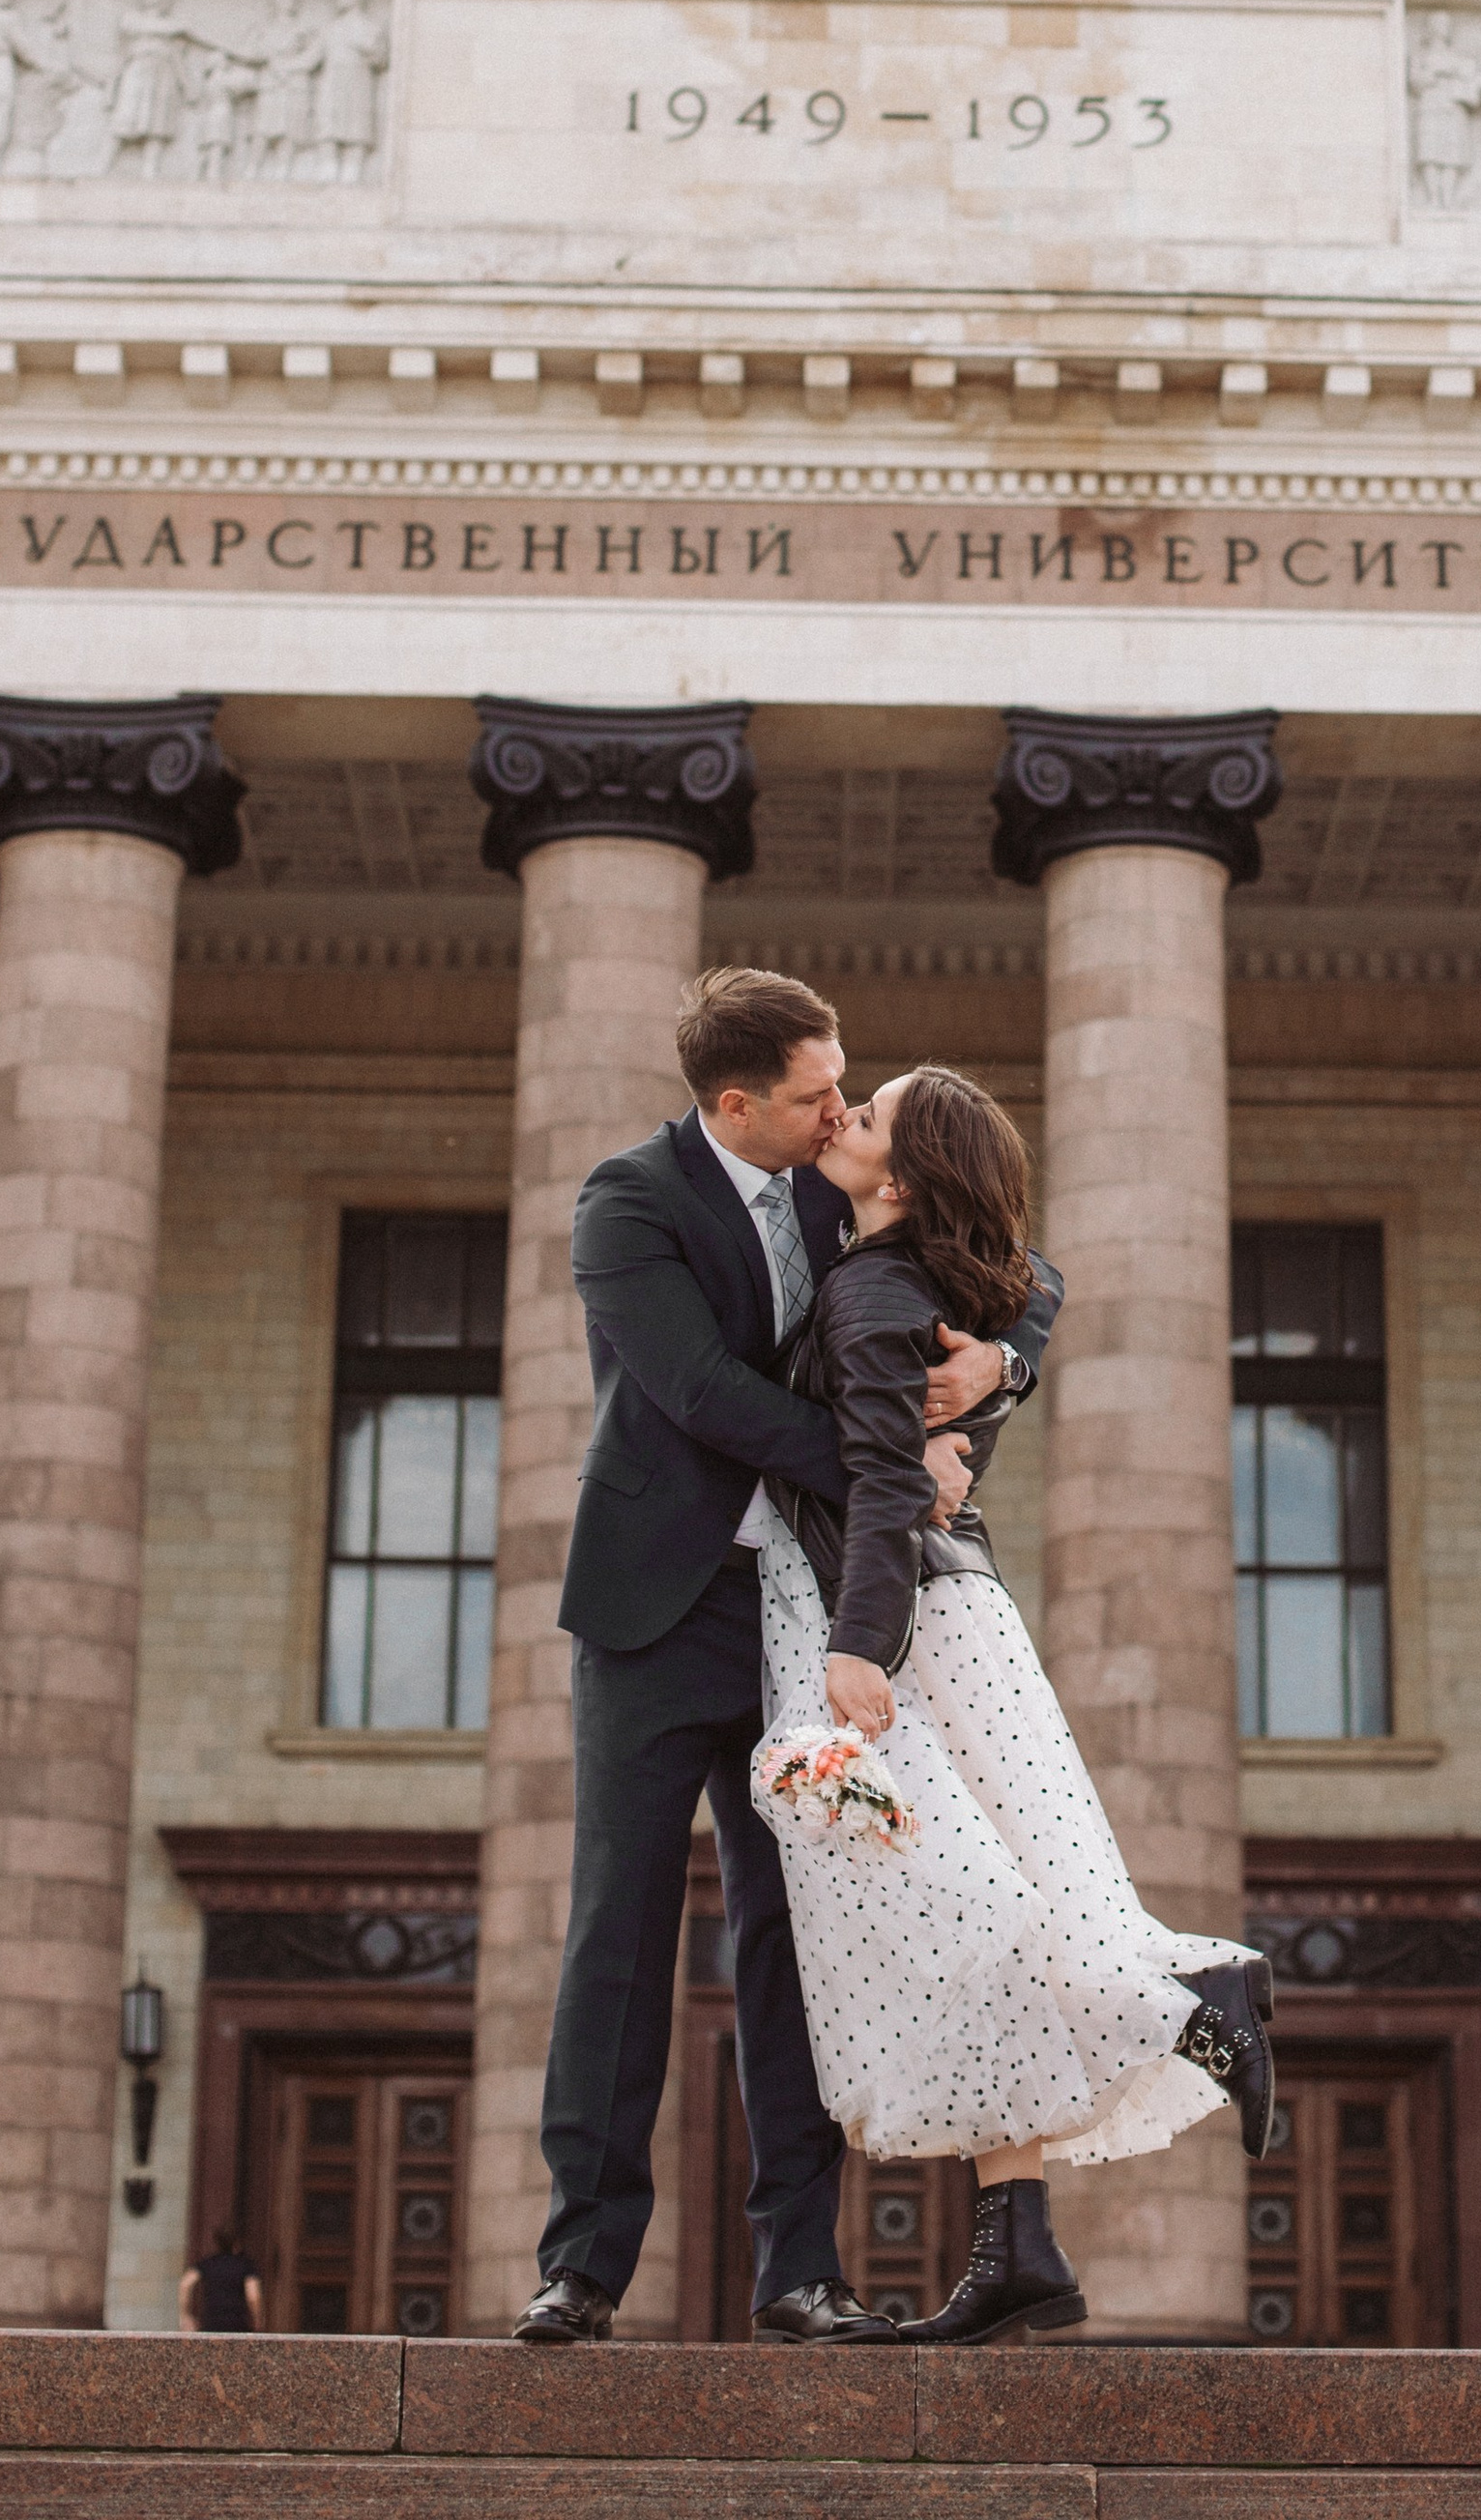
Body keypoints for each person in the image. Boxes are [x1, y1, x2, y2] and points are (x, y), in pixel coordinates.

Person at [512, 968, 1044, 2351]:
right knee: (617, 1933)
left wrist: (1000, 1364)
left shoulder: (838, 1178)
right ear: (735, 1104)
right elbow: (696, 1393)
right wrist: (896, 1461)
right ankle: (582, 2264)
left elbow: (1016, 1263)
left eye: (844, 1085)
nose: (841, 1108)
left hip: (802, 1613)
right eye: (818, 1093)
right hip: (654, 1611)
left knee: (794, 1939)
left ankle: (798, 2272)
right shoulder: (627, 1202)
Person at [752, 1061, 1276, 2350]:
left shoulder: (875, 1290)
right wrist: (998, 1369)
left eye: (863, 1116)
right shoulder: (911, 1276)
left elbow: (883, 1484)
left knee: (947, 1898)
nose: (842, 1120)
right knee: (984, 1896)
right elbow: (1031, 1284)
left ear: (904, 1178)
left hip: (887, 1628)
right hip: (946, 1612)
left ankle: (1188, 2011)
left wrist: (859, 1651)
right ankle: (1019, 2245)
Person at [179, 2231, 262, 2332]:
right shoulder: (244, 2265)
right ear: (237, 2244)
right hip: (237, 2323)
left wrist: (185, 2316)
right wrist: (257, 2319)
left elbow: (185, 2284)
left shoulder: (208, 2263)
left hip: (211, 2320)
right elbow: (253, 2296)